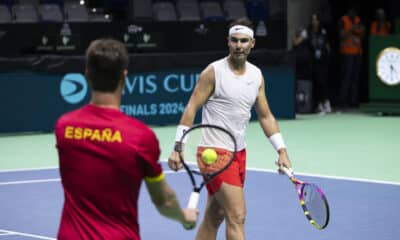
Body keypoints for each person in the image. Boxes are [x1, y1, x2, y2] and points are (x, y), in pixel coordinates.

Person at [54, 38, 198, 239]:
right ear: (124, 76)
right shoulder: (141, 137)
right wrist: (184, 217)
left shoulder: (64, 127)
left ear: (87, 74)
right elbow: (164, 201)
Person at [168, 17, 292, 240]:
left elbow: (265, 115)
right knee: (237, 216)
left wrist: (281, 150)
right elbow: (191, 107)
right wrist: (178, 146)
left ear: (252, 43)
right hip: (214, 153)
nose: (239, 45)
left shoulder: (256, 75)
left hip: (238, 153)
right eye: (234, 40)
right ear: (228, 42)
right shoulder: (213, 72)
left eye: (244, 41)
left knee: (215, 215)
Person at [338, 7, 365, 109]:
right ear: (348, 12)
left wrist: (360, 30)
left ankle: (354, 101)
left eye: (355, 12)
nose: (353, 14)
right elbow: (341, 36)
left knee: (355, 79)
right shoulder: (343, 20)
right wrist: (352, 29)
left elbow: (362, 34)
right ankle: (343, 101)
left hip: (358, 53)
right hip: (347, 53)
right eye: (351, 12)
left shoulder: (359, 20)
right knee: (346, 78)